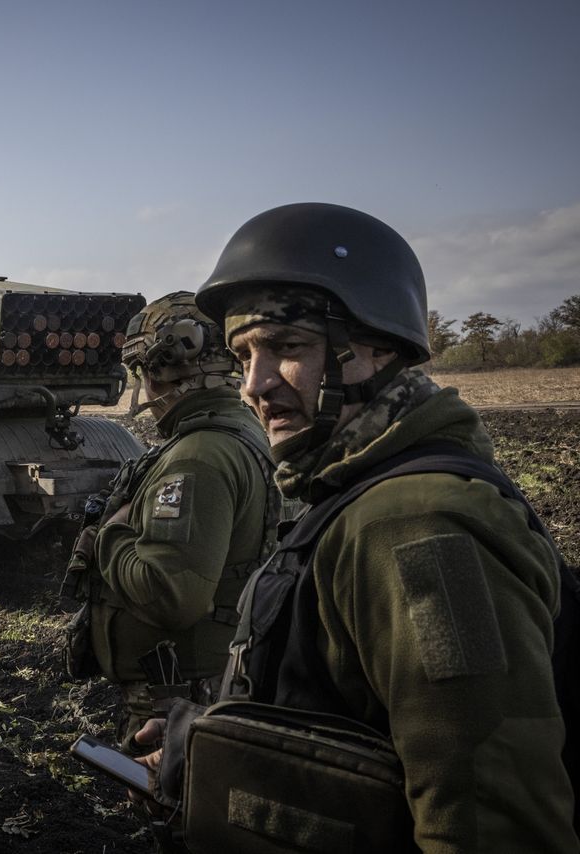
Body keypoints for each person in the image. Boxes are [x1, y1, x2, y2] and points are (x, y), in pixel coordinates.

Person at [137, 202, 577, 851]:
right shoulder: (351, 493)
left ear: (377, 349)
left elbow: (488, 820)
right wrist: (200, 746)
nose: (255, 385)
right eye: (243, 354)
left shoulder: (423, 529)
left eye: (287, 347)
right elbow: (358, 730)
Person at [78, 292, 279, 751]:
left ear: (160, 367)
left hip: (179, 703)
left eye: (142, 371)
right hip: (211, 685)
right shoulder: (243, 430)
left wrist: (109, 536)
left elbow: (171, 596)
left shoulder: (198, 457)